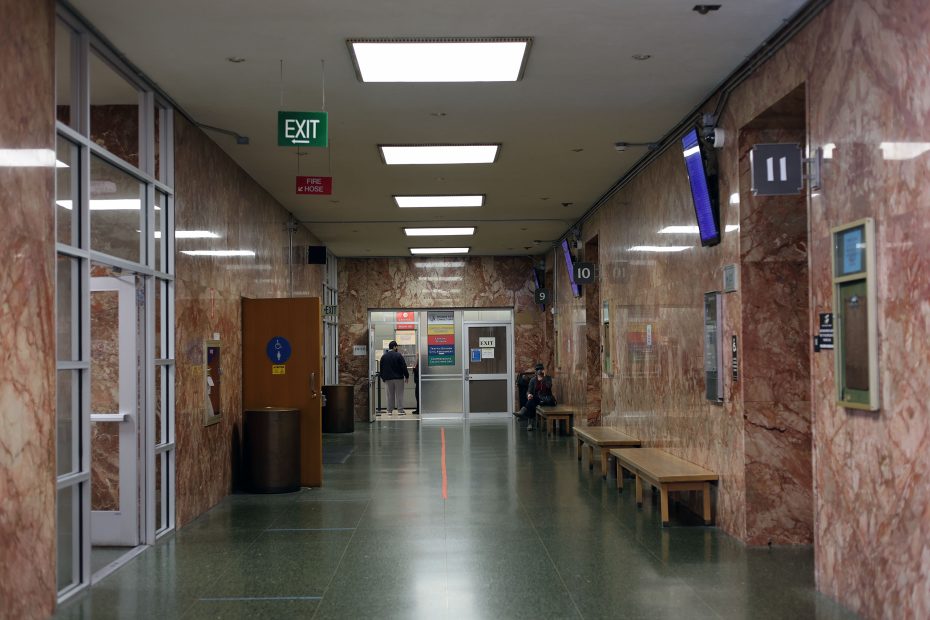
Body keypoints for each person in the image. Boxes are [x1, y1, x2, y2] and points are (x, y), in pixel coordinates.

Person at [515, 363, 553, 431]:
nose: (539, 371)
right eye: (537, 369)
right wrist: (529, 395)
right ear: (536, 371)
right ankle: (528, 420)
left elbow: (549, 386)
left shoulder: (548, 378)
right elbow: (529, 391)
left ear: (543, 370)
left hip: (547, 399)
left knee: (531, 402)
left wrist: (544, 377)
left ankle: (524, 415)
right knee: (531, 401)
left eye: (540, 369)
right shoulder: (533, 380)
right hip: (536, 399)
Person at [379, 341, 409, 415]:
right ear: (394, 347)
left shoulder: (384, 356)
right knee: (399, 395)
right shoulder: (398, 355)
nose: (397, 348)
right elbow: (403, 366)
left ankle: (389, 411)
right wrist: (407, 376)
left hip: (388, 379)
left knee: (389, 395)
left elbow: (381, 368)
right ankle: (400, 410)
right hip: (399, 378)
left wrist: (383, 378)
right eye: (397, 346)